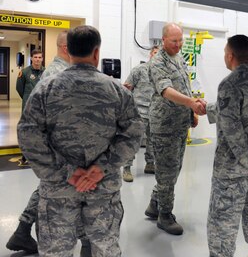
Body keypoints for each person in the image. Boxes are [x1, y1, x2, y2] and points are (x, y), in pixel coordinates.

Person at [17, 25, 144, 256]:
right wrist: (100, 168)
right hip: (103, 188)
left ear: (69, 51)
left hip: (58, 190)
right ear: (97, 53)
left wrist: (69, 172)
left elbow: (28, 135)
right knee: (104, 248)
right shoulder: (117, 91)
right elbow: (134, 132)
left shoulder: (46, 89)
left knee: (56, 250)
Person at [6, 31, 76, 255]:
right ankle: (34, 233)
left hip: (51, 143)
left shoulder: (51, 72)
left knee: (48, 186)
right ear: (67, 48)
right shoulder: (61, 74)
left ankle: (23, 230)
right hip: (59, 144)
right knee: (54, 188)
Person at [206, 35, 248, 257]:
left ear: (230, 55)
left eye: (225, 52)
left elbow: (232, 126)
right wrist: (205, 108)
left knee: (222, 222)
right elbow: (241, 112)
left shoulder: (229, 83)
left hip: (234, 168)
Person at [144, 22, 205, 235]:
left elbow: (184, 86)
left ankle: (154, 204)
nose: (179, 45)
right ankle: (165, 215)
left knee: (173, 168)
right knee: (167, 171)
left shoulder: (178, 58)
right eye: (174, 41)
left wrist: (191, 113)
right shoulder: (157, 62)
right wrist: (190, 103)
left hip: (180, 123)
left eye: (181, 40)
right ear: (163, 40)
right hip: (164, 126)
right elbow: (167, 91)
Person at [122, 45, 160, 182]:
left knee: (152, 141)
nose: (157, 55)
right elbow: (126, 89)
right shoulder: (139, 70)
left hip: (155, 112)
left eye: (159, 53)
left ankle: (150, 164)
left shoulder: (162, 73)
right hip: (139, 111)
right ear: (150, 54)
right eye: (155, 53)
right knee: (134, 140)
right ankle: (126, 168)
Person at [15, 49, 45, 166]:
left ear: (42, 59)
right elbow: (19, 88)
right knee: (27, 131)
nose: (37, 59)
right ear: (31, 58)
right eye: (35, 57)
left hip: (42, 107)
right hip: (28, 106)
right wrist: (27, 99)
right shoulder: (25, 72)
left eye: (39, 57)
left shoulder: (46, 72)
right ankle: (25, 156)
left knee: (41, 131)